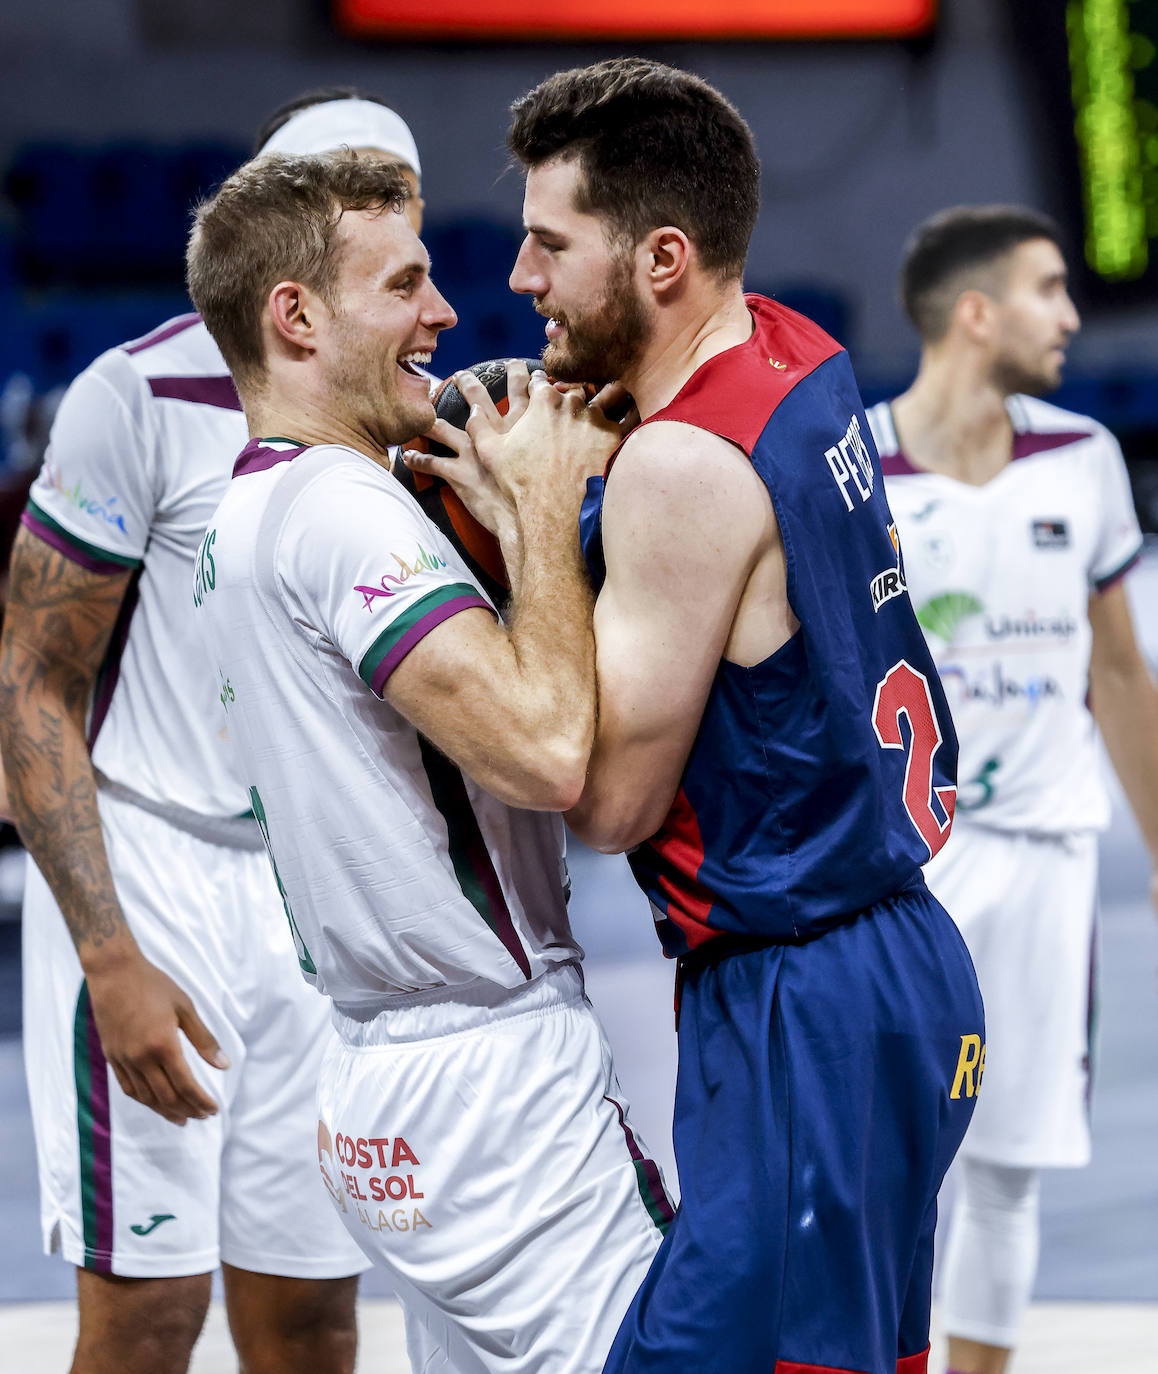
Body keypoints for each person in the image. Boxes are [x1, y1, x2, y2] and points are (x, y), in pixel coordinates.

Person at [409, 57, 985, 1374]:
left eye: (550, 245)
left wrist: (541, 519)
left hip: (799, 996)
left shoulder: (676, 469)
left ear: (661, 256)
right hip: (891, 955)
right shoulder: (797, 349)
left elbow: (606, 800)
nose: (520, 280)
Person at [186, 152, 672, 1374]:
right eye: (404, 284)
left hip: (375, 1080)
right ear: (295, 318)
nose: (446, 314)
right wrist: (549, 511)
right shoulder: (341, 513)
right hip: (492, 1083)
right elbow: (547, 753)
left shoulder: (237, 514)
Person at [0, 90, 428, 1374]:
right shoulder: (134, 395)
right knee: (145, 1317)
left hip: (318, 896)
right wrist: (108, 959)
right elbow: (29, 680)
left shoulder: (411, 410)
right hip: (158, 873)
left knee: (311, 1316)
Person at [867, 204, 1158, 1374]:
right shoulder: (857, 467)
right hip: (901, 874)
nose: (1073, 315)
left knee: (1011, 1169)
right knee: (885, 1163)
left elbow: (1122, 671)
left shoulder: (1081, 458)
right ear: (976, 313)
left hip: (1044, 861)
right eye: (1050, 288)